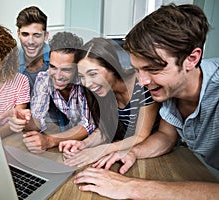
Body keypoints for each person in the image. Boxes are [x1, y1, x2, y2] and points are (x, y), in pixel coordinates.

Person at [73, 4, 219, 199]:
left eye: (153, 69)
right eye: (138, 69)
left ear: (191, 59)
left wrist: (132, 187)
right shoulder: (171, 92)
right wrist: (133, 153)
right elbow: (166, 137)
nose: (142, 82)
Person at [58, 37, 160, 167]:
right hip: (124, 153)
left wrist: (100, 151)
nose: (87, 83)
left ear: (112, 67)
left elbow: (140, 136)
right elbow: (105, 129)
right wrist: (84, 144)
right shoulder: (103, 91)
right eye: (82, 76)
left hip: (152, 155)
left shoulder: (142, 85)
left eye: (93, 74)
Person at [3, 31, 96, 154]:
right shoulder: (44, 79)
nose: (57, 76)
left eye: (66, 69)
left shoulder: (87, 82)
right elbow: (38, 119)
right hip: (70, 142)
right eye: (53, 67)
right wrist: (24, 120)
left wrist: (50, 140)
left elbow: (88, 124)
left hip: (98, 141)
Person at [16, 6, 50, 94]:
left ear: (46, 36)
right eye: (25, 34)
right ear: (18, 34)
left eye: (36, 35)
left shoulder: (57, 59)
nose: (30, 42)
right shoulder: (10, 63)